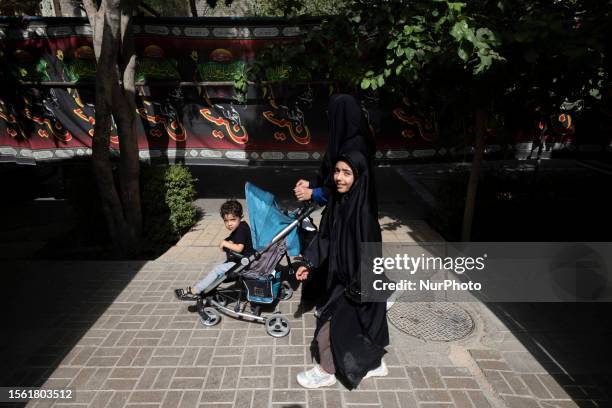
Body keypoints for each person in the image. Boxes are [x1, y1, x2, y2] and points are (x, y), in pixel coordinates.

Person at [295, 150, 389, 389]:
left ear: (359, 177)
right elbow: (325, 238)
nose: (339, 178)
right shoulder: (339, 203)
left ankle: (327, 371)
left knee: (328, 331)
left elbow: (370, 259)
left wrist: (356, 294)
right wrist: (309, 263)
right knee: (355, 329)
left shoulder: (364, 215)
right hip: (340, 279)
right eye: (337, 171)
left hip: (358, 285)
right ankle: (376, 365)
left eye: (347, 173)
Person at [294, 94, 376, 208]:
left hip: (351, 211)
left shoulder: (354, 146)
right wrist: (312, 184)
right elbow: (331, 171)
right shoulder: (342, 140)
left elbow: (345, 184)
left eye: (332, 113)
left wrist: (314, 193)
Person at [175, 200, 253, 299]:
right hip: (244, 260)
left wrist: (225, 243)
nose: (229, 224)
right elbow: (237, 241)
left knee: (217, 270)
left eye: (232, 220)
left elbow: (239, 248)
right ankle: (211, 287)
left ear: (240, 217)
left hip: (244, 263)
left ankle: (195, 290)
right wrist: (229, 242)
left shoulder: (240, 230)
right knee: (222, 268)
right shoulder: (242, 225)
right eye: (226, 221)